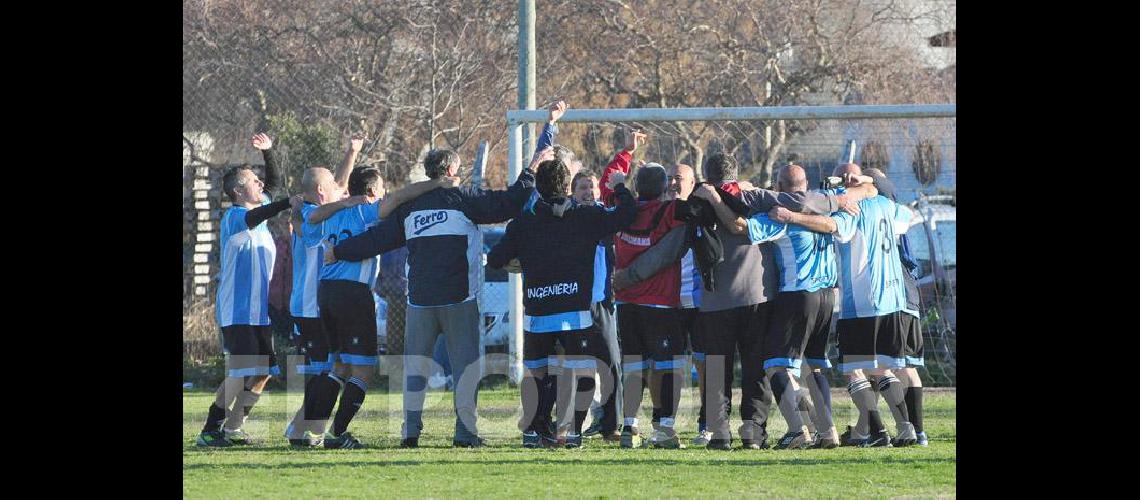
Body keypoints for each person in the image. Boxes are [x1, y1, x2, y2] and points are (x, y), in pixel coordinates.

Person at [328, 146, 537, 448]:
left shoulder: (410, 207)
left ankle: (410, 432)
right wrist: (530, 170)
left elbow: (377, 240)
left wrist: (339, 251)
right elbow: (507, 204)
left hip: (420, 301)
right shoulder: (462, 198)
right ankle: (465, 433)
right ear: (451, 171)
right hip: (459, 299)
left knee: (415, 370)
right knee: (465, 369)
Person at [769, 163, 922, 448]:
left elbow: (833, 226)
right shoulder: (888, 206)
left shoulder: (851, 207)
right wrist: (869, 185)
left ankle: (877, 433)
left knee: (855, 369)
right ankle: (906, 429)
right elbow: (908, 217)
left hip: (861, 299)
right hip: (892, 299)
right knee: (881, 368)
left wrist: (794, 215)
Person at [488, 157, 636, 448]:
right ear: (567, 186)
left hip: (538, 310)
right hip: (575, 312)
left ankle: (533, 431)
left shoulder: (523, 223)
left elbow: (495, 259)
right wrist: (619, 187)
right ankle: (573, 432)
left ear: (538, 190)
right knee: (582, 371)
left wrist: (523, 259)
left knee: (537, 372)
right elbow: (626, 214)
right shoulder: (586, 217)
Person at [196, 133, 296, 447]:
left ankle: (234, 427)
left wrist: (268, 152)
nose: (260, 184)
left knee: (265, 371)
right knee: (241, 370)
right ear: (240, 190)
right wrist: (286, 204)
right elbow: (260, 212)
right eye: (254, 181)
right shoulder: (235, 217)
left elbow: (276, 185)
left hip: (258, 311)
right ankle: (210, 430)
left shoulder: (260, 214)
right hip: (237, 311)